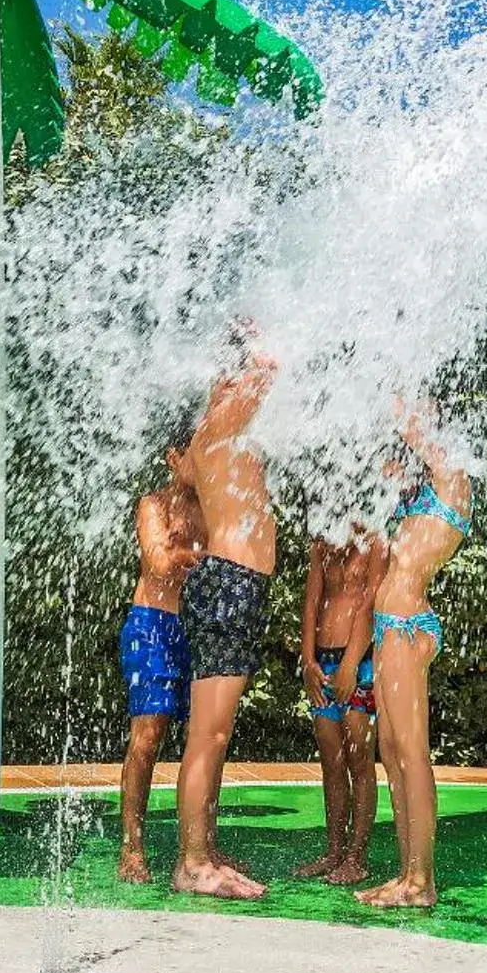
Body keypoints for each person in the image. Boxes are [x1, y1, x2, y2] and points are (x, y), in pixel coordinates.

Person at [173, 328, 279, 900]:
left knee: (215, 735)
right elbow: (268, 368)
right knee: (207, 736)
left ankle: (203, 849)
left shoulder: (225, 436)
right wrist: (261, 331)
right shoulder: (215, 427)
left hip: (237, 589)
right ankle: (191, 864)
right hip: (227, 588)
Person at [358, 401, 474, 910]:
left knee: (411, 751)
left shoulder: (455, 477)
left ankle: (421, 880)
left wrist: (396, 392)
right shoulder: (426, 484)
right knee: (389, 749)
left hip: (407, 627)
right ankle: (405, 872)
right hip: (390, 626)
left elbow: (411, 421)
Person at [116, 441, 204, 884]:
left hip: (194, 629)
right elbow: (158, 563)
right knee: (147, 737)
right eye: (196, 452)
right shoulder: (153, 505)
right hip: (150, 624)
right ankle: (132, 847)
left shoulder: (211, 508)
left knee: (201, 741)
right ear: (173, 457)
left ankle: (201, 847)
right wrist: (194, 556)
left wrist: (182, 553)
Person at [296, 524, 385, 885]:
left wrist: (351, 664)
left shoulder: (377, 540)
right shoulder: (324, 542)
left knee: (359, 761)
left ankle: (356, 857)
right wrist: (307, 661)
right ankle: (334, 850)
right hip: (323, 664)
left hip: (359, 664)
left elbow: (371, 603)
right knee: (331, 762)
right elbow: (312, 601)